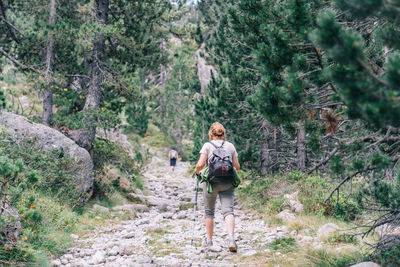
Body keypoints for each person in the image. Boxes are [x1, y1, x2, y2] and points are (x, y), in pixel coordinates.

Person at [195, 122, 240, 252]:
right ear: (223, 133)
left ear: (211, 133)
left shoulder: (207, 146)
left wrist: (197, 173)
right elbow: (237, 166)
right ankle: (231, 239)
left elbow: (200, 164)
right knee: (228, 211)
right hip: (227, 183)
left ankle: (209, 241)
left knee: (209, 212)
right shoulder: (230, 146)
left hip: (211, 183)